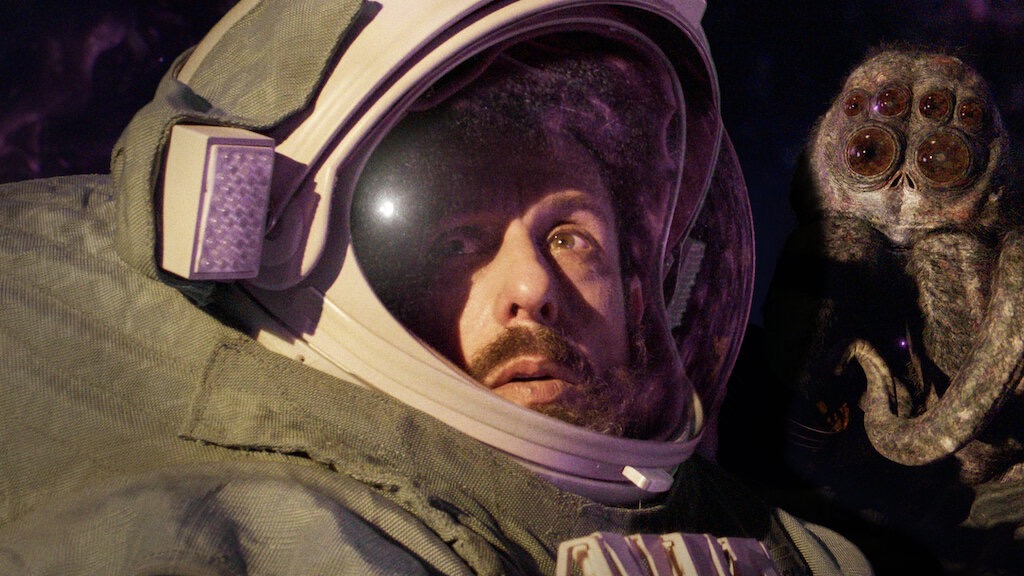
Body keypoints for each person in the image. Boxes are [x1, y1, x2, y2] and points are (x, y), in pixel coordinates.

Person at [0, 0, 872, 573]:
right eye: (459, 243)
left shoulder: (776, 543)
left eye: (571, 237)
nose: (531, 287)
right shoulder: (249, 538)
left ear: (647, 292)